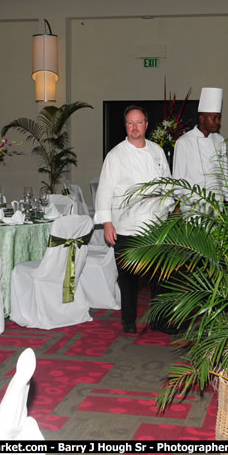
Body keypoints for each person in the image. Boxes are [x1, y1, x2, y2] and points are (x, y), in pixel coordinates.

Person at [94, 106, 174, 334]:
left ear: (146, 125)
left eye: (139, 122)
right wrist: (107, 223)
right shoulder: (116, 155)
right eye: (130, 123)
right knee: (128, 278)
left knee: (160, 275)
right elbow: (105, 190)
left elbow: (167, 182)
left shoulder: (157, 151)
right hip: (127, 225)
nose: (135, 127)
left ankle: (159, 319)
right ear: (125, 126)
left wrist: (168, 209)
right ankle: (128, 320)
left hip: (156, 224)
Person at [173, 87, 228, 206]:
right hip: (193, 205)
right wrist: (179, 204)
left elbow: (225, 174)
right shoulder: (184, 142)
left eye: (219, 117)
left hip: (217, 204)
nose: (218, 122)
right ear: (202, 118)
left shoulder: (220, 140)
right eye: (214, 117)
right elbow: (178, 179)